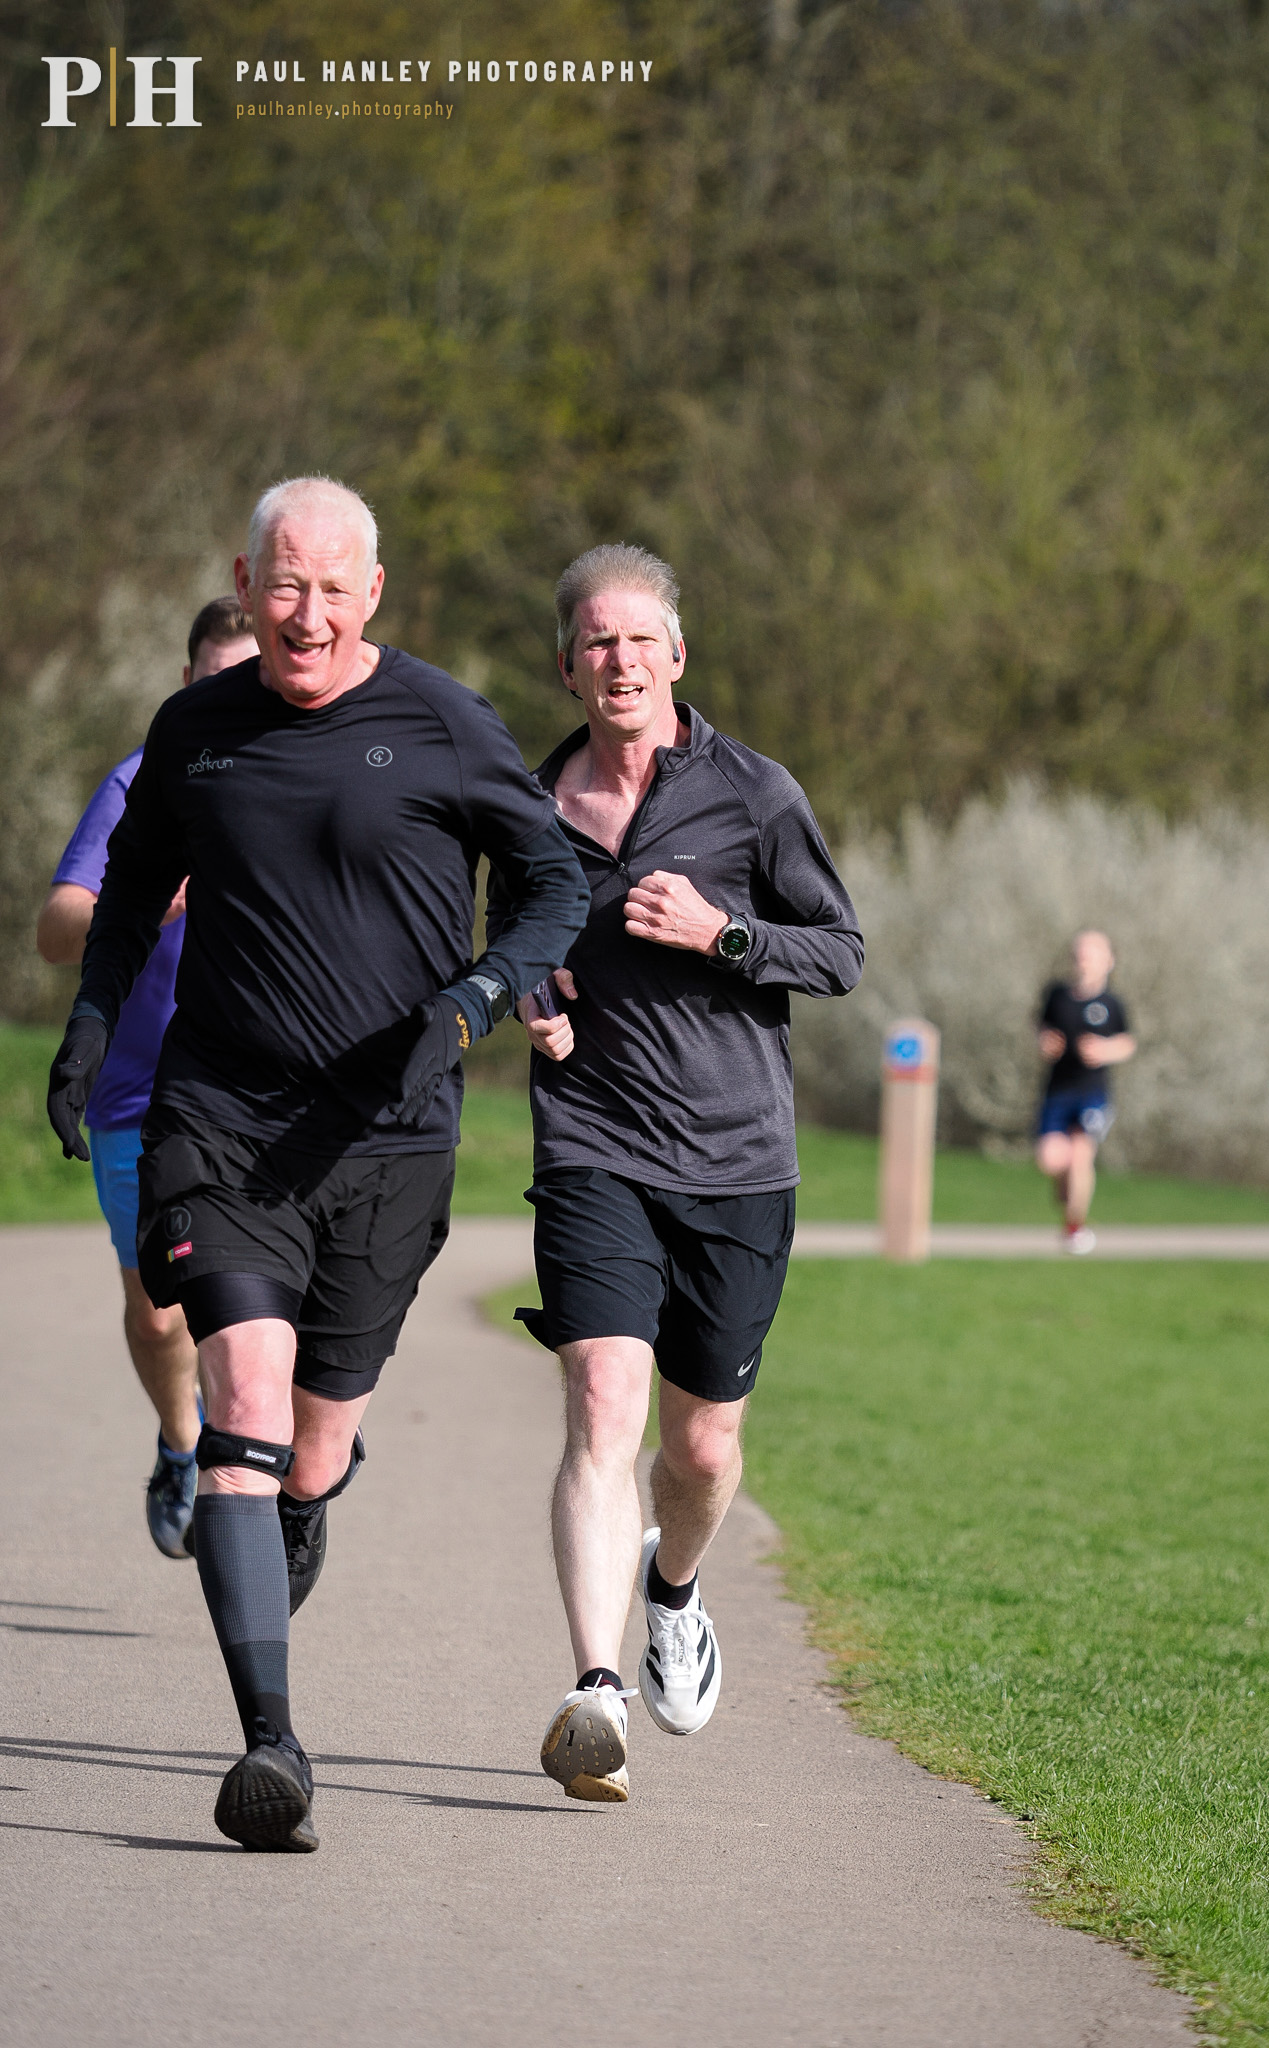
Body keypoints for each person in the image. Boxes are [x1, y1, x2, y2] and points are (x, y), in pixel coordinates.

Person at [45, 477, 590, 1853]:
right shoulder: (196, 733)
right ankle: (270, 1746)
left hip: (388, 1138)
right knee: (242, 1401)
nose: (307, 612)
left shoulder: (445, 724)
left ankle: (304, 1492)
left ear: (374, 593)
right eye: (284, 584)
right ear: (247, 578)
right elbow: (122, 904)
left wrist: (476, 1002)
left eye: (334, 588)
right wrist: (93, 1029)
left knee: (313, 1440)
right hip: (221, 1118)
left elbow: (554, 887)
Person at [497, 543, 862, 1804]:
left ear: (677, 658)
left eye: (640, 640)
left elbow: (841, 951)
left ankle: (674, 1591)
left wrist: (726, 932)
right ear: (567, 663)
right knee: (604, 1402)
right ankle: (595, 1691)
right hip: (594, 1141)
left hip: (739, 1158)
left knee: (702, 1452)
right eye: (597, 642)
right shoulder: (526, 803)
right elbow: (514, 946)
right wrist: (531, 999)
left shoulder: (754, 795)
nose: (619, 661)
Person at [37, 597, 258, 1560]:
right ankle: (181, 1441)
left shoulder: (304, 776)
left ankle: (257, 1437)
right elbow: (55, 928)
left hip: (264, 1091)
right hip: (139, 1092)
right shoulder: (137, 782)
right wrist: (146, 906)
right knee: (157, 1311)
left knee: (263, 1294)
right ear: (185, 684)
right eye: (216, 681)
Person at [1034, 929, 1137, 1254]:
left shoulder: (1112, 1004)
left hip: (1092, 1092)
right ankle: (1068, 1197)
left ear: (1108, 961)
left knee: (1081, 1153)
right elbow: (1041, 1028)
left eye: (1091, 954)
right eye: (1079, 954)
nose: (1084, 960)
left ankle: (1075, 1227)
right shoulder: (1057, 995)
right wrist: (1045, 1042)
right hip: (1057, 1091)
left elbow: (1127, 1043)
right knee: (1051, 1160)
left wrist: (1105, 1050)